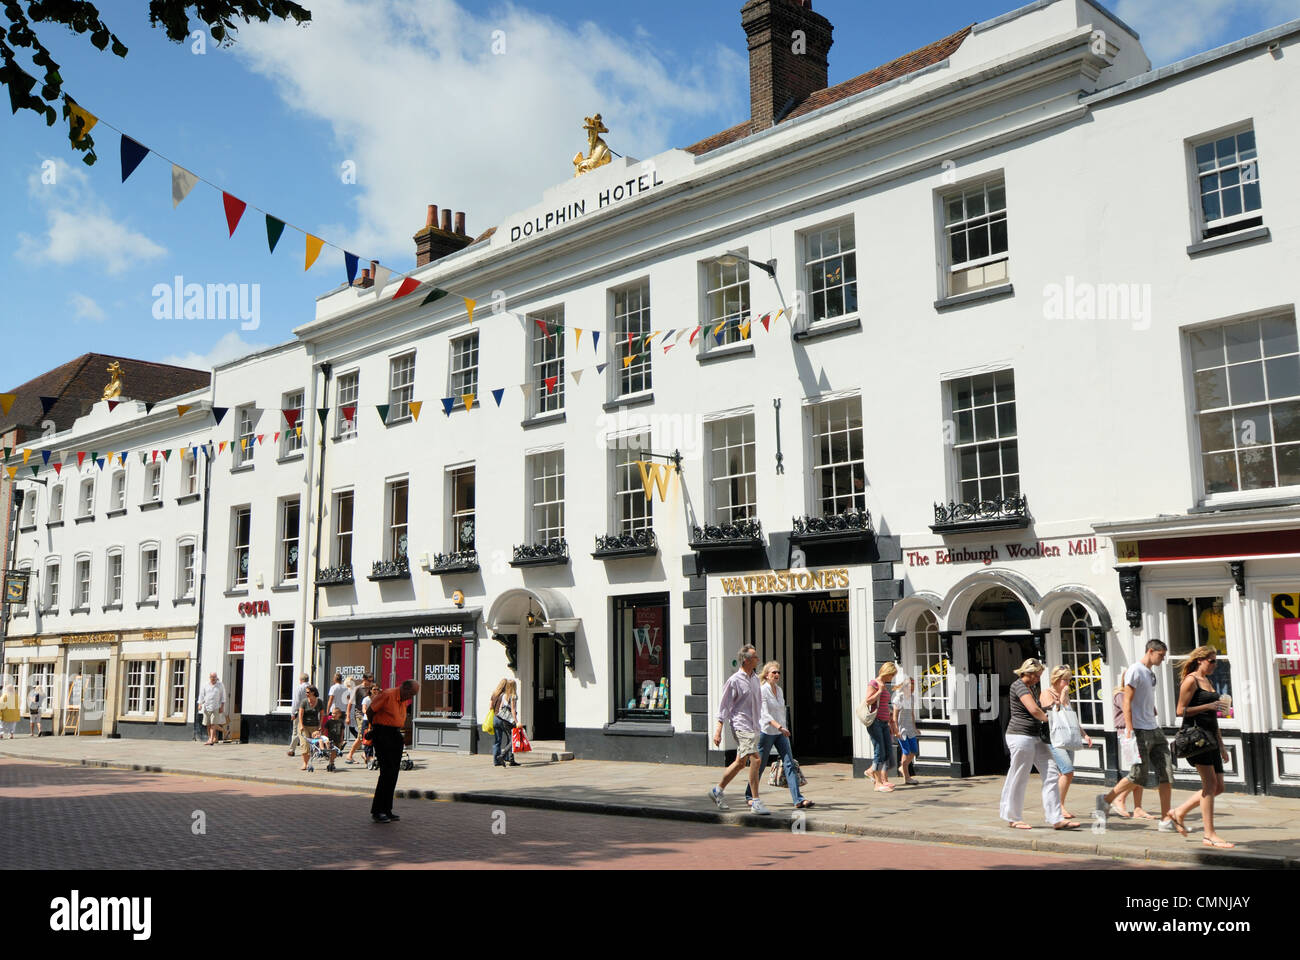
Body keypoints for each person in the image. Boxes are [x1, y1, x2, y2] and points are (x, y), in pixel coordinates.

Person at [1095, 639, 1186, 834]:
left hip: (1154, 728)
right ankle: (1106, 800)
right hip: (1139, 730)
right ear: (1151, 651)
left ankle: (1165, 820)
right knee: (1138, 775)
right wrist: (1130, 729)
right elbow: (1126, 701)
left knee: (1166, 773)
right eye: (1161, 655)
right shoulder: (1135, 670)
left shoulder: (1151, 674)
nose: (1163, 659)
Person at [1167, 646, 1234, 848]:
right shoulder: (1191, 680)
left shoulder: (1208, 681)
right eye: (1212, 661)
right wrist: (1208, 706)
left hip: (1211, 738)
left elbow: (1213, 718)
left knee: (1219, 786)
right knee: (1210, 786)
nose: (1215, 664)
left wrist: (1222, 747)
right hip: (1197, 739)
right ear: (1200, 660)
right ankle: (1209, 834)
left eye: (1216, 661)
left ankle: (1179, 812)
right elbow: (1180, 711)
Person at [999, 659, 1076, 830]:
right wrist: (1050, 720)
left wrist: (1053, 706)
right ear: (1028, 673)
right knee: (1019, 775)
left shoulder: (1032, 687)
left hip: (1035, 736)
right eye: (1037, 676)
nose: (1038, 679)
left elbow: (1039, 707)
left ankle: (1056, 818)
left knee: (1051, 772)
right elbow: (1033, 709)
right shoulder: (1018, 685)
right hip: (1019, 736)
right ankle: (1013, 817)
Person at [709, 644, 769, 814]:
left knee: (740, 763)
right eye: (755, 657)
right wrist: (718, 730)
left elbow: (758, 704)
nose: (758, 659)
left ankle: (717, 790)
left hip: (753, 726)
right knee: (756, 760)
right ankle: (755, 801)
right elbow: (724, 706)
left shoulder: (755, 679)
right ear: (747, 660)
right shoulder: (734, 680)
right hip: (741, 725)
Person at [745, 661, 813, 809]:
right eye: (773, 672)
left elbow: (781, 711)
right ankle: (749, 795)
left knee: (789, 763)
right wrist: (780, 727)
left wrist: (784, 728)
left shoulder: (780, 690)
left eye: (778, 672)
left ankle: (798, 799)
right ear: (767, 675)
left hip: (781, 733)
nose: (776, 675)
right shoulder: (762, 690)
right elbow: (765, 714)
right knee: (760, 765)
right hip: (767, 732)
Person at [1041, 666, 1093, 819]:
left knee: (1064, 773)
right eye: (1065, 679)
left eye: (1069, 679)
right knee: (1067, 771)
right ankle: (1058, 806)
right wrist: (1063, 697)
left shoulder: (1065, 694)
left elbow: (1070, 718)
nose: (1068, 682)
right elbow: (1054, 715)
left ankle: (1057, 805)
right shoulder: (1046, 693)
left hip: (1067, 737)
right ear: (1056, 679)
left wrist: (1084, 734)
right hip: (1054, 739)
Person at [367, 679, 418, 823]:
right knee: (386, 772)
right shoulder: (388, 695)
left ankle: (387, 809)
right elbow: (371, 711)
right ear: (405, 689)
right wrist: (375, 727)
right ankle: (378, 811)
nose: (412, 697)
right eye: (412, 694)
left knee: (394, 771)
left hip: (395, 733)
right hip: (383, 733)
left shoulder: (402, 699)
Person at [1108, 684, 1152, 819]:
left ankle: (1138, 808)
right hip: (1128, 734)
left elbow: (1151, 711)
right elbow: (1130, 711)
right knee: (1137, 770)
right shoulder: (1121, 695)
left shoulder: (1139, 696)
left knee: (1141, 770)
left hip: (1142, 732)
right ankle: (1118, 798)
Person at [861, 661, 899, 792]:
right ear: (886, 672)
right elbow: (868, 700)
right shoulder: (874, 683)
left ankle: (875, 774)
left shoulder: (884, 685)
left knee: (887, 751)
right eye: (892, 675)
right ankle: (877, 783)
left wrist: (890, 718)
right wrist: (880, 691)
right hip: (875, 722)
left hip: (884, 722)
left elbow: (883, 704)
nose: (892, 678)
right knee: (879, 751)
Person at [893, 674, 920, 785]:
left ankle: (902, 767)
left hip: (910, 728)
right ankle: (907, 777)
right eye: (911, 688)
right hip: (901, 729)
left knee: (914, 750)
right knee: (906, 752)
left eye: (913, 688)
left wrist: (915, 728)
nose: (912, 690)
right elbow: (894, 716)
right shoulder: (898, 698)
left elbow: (912, 714)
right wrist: (896, 730)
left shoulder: (912, 698)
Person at [490, 678, 521, 767]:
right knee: (512, 739)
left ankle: (508, 759)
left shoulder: (503, 696)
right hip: (508, 720)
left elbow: (497, 708)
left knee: (498, 740)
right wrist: (516, 721)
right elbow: (513, 710)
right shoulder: (513, 696)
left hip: (499, 718)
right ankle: (503, 756)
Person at [346, 676, 374, 764]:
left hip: (369, 716)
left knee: (366, 736)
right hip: (360, 715)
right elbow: (350, 703)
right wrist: (347, 716)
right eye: (369, 680)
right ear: (364, 679)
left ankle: (364, 754)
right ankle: (350, 755)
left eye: (372, 680)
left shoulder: (371, 688)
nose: (371, 682)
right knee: (362, 736)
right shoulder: (358, 688)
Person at [298, 686, 325, 772]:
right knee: (305, 744)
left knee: (314, 745)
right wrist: (301, 725)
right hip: (304, 726)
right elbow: (300, 714)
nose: (306, 694)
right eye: (306, 692)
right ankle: (305, 763)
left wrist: (320, 725)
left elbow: (321, 715)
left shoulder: (319, 702)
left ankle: (310, 761)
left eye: (308, 692)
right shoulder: (304, 702)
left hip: (315, 726)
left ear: (313, 692)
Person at [198, 672, 226, 746]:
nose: (213, 678)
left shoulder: (220, 685)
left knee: (213, 724)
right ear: (209, 677)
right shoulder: (205, 685)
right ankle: (211, 737)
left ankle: (210, 739)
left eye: (214, 677)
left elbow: (223, 696)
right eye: (211, 677)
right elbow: (202, 695)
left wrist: (222, 707)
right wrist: (200, 704)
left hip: (216, 707)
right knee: (208, 724)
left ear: (217, 677)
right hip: (207, 707)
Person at [287, 672, 309, 757]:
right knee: (309, 730)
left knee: (296, 731)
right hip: (310, 712)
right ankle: (310, 749)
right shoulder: (312, 687)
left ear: (301, 680)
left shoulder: (299, 688)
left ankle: (292, 750)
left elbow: (296, 701)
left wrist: (293, 713)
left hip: (300, 712)